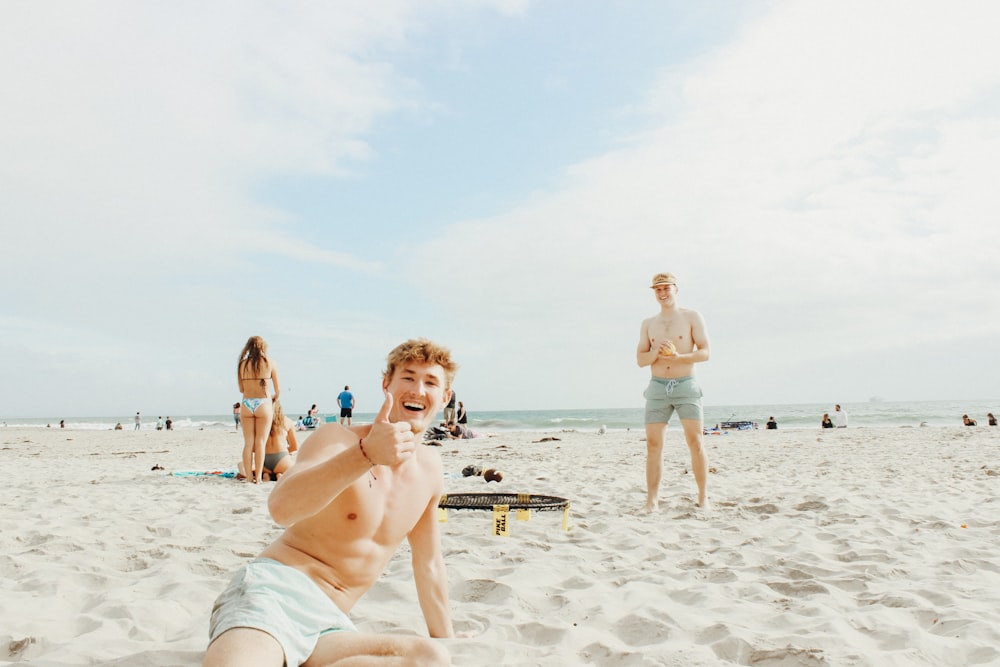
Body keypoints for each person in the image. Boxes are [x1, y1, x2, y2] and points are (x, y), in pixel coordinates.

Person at [203, 338, 457, 666]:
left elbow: (429, 564)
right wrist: (365, 455)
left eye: (431, 382)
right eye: (407, 377)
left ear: (445, 396)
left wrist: (448, 637)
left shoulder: (430, 470)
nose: (418, 389)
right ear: (386, 386)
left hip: (330, 625)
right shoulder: (338, 439)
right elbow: (281, 508)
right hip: (273, 595)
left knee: (430, 657)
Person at [636, 272, 711, 512]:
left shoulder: (691, 316)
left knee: (695, 440)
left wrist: (678, 357)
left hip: (686, 383)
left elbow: (705, 352)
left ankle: (703, 497)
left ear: (676, 289)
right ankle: (652, 501)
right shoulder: (648, 323)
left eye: (666, 288)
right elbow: (640, 359)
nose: (662, 293)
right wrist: (656, 353)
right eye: (657, 289)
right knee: (653, 444)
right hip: (657, 386)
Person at [237, 335, 281, 484]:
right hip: (264, 403)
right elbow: (278, 390)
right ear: (263, 347)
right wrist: (273, 398)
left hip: (247, 403)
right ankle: (258, 479)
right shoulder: (270, 362)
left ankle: (249, 477)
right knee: (260, 442)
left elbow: (241, 389)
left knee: (248, 443)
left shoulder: (242, 364)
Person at [239, 399, 298, 482]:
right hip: (282, 459)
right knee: (295, 467)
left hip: (263, 460)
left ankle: (266, 475)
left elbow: (252, 448)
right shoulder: (287, 421)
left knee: (241, 464)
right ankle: (279, 475)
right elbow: (295, 447)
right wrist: (285, 453)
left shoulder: (259, 422)